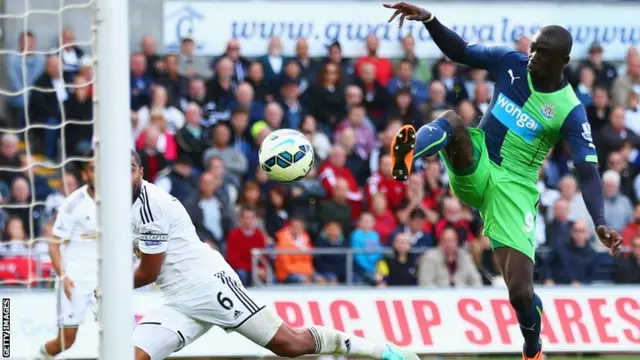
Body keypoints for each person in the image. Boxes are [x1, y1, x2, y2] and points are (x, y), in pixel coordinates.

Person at [383, 3, 623, 360]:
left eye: (543, 53)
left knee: (521, 293)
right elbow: (460, 51)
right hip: (478, 162)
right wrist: (430, 20)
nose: (533, 56)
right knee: (452, 120)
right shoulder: (510, 61)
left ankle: (532, 348)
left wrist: (600, 222)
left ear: (563, 61)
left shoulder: (570, 109)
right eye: (534, 47)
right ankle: (410, 153)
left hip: (515, 189)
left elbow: (587, 171)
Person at [127, 150, 418, 360]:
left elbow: (148, 272)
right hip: (176, 301)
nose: (122, 175)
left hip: (207, 285)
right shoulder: (104, 204)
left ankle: (380, 351)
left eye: (130, 168)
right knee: (131, 355)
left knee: (289, 344)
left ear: (141, 171)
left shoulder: (151, 206)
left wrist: (103, 286)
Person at [38, 151, 97, 359]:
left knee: (121, 336)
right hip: (76, 281)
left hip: (106, 282)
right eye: (93, 169)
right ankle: (39, 356)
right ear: (85, 174)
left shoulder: (119, 200)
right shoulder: (73, 204)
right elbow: (54, 244)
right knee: (66, 341)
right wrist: (63, 276)